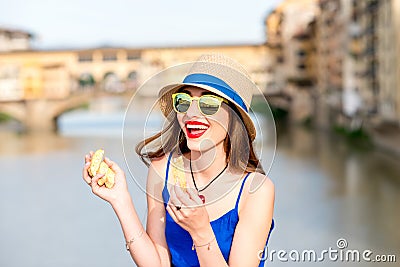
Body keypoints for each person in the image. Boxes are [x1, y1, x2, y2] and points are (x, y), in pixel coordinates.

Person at [82, 54, 275, 267]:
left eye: (208, 104)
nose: (191, 113)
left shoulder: (257, 190)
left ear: (234, 119)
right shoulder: (162, 168)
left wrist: (201, 232)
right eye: (184, 101)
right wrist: (120, 200)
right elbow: (157, 263)